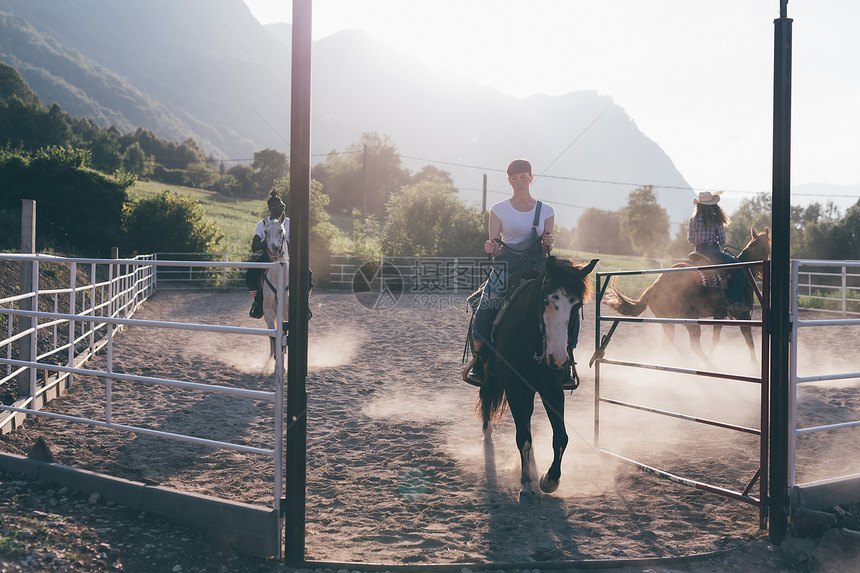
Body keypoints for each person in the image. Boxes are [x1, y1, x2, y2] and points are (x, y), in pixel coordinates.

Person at [464, 158, 579, 388]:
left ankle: (568, 361)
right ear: (509, 181)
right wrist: (490, 247)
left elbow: (548, 247)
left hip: (538, 267)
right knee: (486, 306)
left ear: (531, 178)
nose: (519, 182)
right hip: (506, 266)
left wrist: (549, 242)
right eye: (514, 178)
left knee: (570, 303)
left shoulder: (546, 210)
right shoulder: (499, 210)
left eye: (523, 177)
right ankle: (479, 360)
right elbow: (495, 245)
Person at [687, 190, 746, 312]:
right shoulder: (715, 219)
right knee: (741, 271)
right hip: (712, 253)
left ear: (698, 205)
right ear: (712, 206)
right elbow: (723, 240)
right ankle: (734, 300)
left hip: (697, 253)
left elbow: (690, 239)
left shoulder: (693, 220)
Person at [246, 189, 288, 319]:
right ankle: (258, 302)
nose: (284, 206)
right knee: (250, 274)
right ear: (273, 207)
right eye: (282, 205)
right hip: (268, 256)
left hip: (286, 256)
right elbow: (254, 247)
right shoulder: (262, 224)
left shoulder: (288, 222)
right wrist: (267, 242)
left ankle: (305, 305)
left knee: (307, 273)